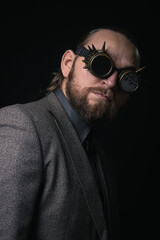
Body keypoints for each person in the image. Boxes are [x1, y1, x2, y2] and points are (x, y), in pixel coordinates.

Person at [0, 27, 143, 240]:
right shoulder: (23, 126)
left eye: (126, 78)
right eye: (101, 64)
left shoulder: (102, 160)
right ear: (68, 64)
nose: (111, 83)